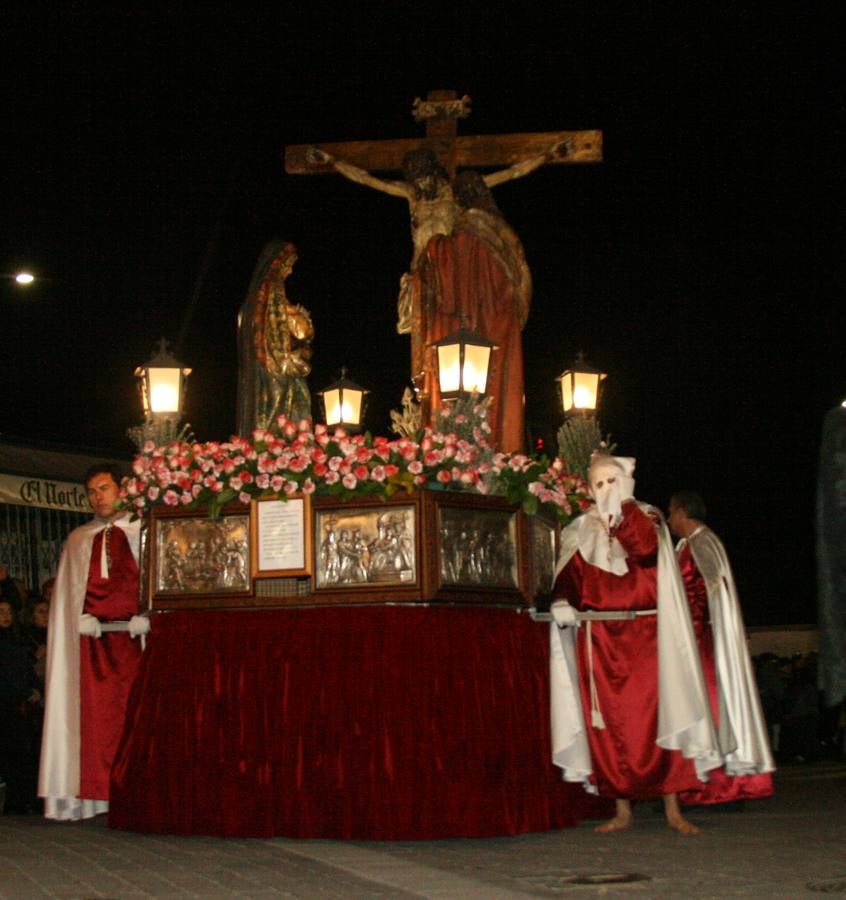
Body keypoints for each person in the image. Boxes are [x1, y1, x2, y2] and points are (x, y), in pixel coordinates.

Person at [306, 143, 565, 454]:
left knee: (453, 354)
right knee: (429, 363)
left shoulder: (454, 196)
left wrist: (547, 155)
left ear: (433, 171)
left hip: (452, 287)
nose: (421, 184)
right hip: (423, 283)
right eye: (415, 178)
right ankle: (436, 427)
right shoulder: (412, 194)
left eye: (424, 176)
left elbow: (509, 173)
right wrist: (333, 162)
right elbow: (368, 179)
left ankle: (462, 426)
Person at [549, 453, 721, 834]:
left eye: (613, 482)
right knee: (610, 725)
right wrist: (562, 600)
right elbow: (568, 577)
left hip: (647, 637)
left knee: (660, 714)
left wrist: (622, 507)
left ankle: (672, 807)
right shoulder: (580, 530)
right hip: (601, 639)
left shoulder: (650, 519)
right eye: (599, 484)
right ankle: (621, 808)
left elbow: (644, 551)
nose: (605, 491)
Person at [38, 464, 150, 821]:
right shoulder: (79, 539)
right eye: (91, 491)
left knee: (136, 715)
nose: (97, 497)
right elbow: (69, 595)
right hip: (91, 649)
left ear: (122, 489)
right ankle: (93, 796)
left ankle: (139, 792)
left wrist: (148, 615)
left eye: (104, 488)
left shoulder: (142, 532)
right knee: (95, 722)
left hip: (138, 644)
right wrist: (77, 619)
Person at [668, 490, 775, 803]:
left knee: (712, 706)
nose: (670, 518)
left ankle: (719, 787)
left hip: (704, 642)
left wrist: (694, 627)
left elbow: (714, 593)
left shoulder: (704, 543)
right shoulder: (685, 546)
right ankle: (698, 783)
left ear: (684, 512)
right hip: (692, 638)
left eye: (672, 511)